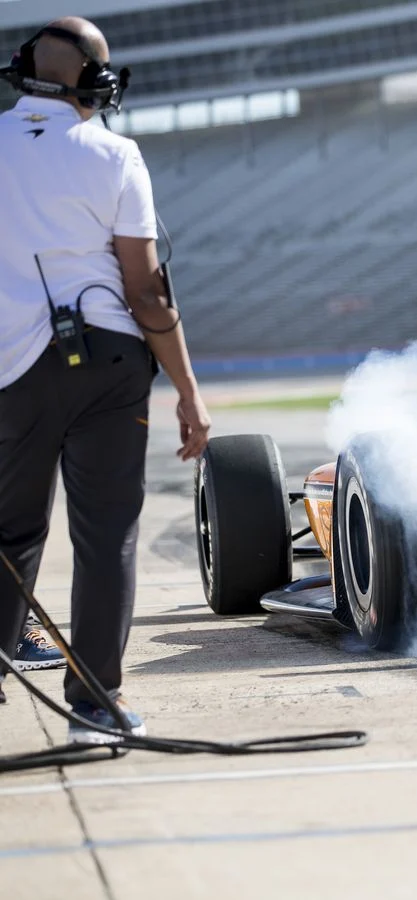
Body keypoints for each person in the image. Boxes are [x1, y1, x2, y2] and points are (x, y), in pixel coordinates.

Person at [0, 18, 211, 737]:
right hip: (108, 364)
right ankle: (94, 708)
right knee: (106, 536)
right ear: (93, 82)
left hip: (11, 371)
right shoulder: (115, 155)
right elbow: (147, 292)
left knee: (10, 534)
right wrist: (188, 390)